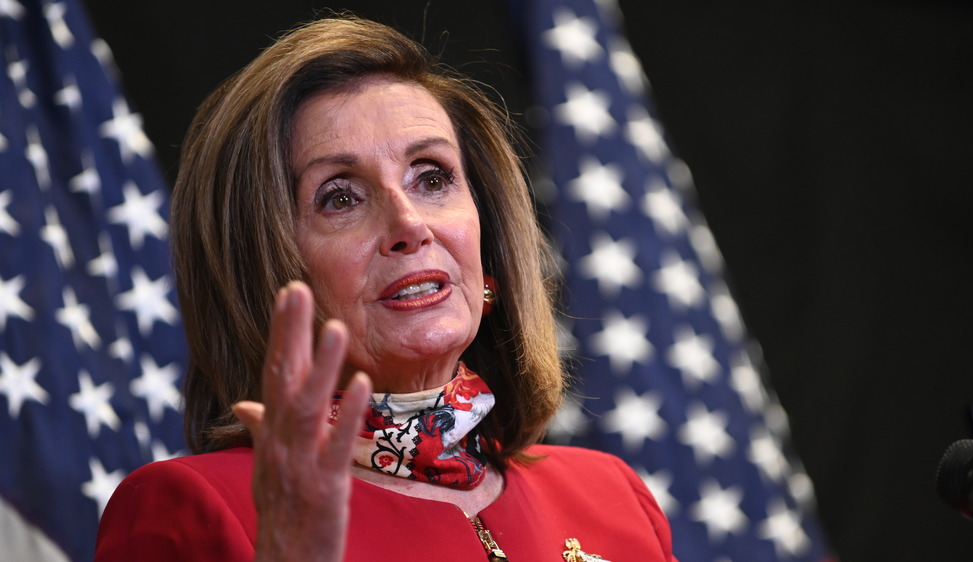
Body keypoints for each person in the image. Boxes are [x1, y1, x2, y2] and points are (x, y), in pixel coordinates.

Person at [95, 15, 677, 562]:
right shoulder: (188, 508)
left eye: (432, 177)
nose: (409, 226)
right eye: (340, 197)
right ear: (262, 267)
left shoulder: (612, 495)